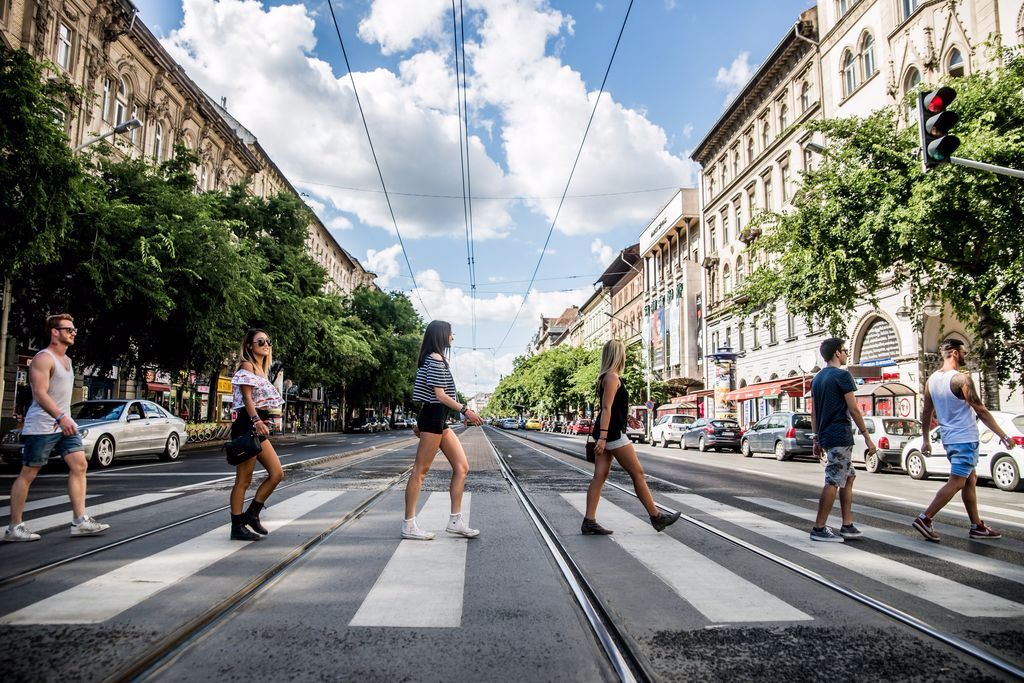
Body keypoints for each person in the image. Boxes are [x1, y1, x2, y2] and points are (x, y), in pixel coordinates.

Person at [4, 314, 109, 542]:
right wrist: (61, 417)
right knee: (28, 473)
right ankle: (14, 526)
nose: (73, 333)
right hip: (42, 425)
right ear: (55, 332)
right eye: (69, 329)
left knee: (80, 465)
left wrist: (65, 419)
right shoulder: (44, 358)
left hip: (64, 425)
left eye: (74, 330)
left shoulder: (68, 361)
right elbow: (40, 394)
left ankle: (80, 520)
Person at [912, 338, 1012, 542]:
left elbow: (926, 412)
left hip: (949, 439)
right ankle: (925, 518)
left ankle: (977, 526)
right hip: (964, 438)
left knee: (969, 480)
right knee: (957, 481)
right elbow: (980, 409)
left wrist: (926, 439)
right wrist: (1003, 435)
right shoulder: (961, 380)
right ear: (956, 353)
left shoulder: (932, 380)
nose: (966, 355)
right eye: (964, 352)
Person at [582, 339, 680, 535]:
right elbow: (606, 408)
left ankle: (589, 521)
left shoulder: (608, 377)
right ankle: (656, 517)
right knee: (638, 474)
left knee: (599, 477)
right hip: (612, 435)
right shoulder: (611, 377)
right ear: (618, 355)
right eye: (623, 352)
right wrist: (603, 438)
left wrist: (628, 418)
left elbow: (613, 406)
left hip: (608, 432)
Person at [403, 320, 484, 540]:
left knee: (462, 467)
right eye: (451, 333)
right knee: (420, 472)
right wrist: (465, 410)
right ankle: (409, 524)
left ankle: (455, 521)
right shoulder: (436, 359)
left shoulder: (433, 358)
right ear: (441, 335)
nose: (453, 337)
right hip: (433, 418)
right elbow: (439, 395)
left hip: (438, 419)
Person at [809, 338, 876, 542]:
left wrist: (816, 438)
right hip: (840, 433)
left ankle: (847, 524)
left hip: (827, 434)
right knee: (834, 479)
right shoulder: (842, 375)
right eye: (845, 350)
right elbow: (854, 409)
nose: (847, 353)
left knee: (848, 476)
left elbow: (814, 413)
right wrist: (867, 437)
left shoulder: (817, 378)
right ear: (837, 353)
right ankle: (819, 528)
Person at [229, 328, 286, 541]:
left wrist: (264, 421)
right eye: (260, 341)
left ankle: (252, 514)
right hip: (247, 425)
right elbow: (247, 398)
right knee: (243, 480)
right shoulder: (247, 366)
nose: (265, 344)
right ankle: (237, 526)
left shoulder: (262, 370)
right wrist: (256, 420)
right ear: (249, 346)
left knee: (277, 473)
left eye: (267, 341)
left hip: (257, 426)